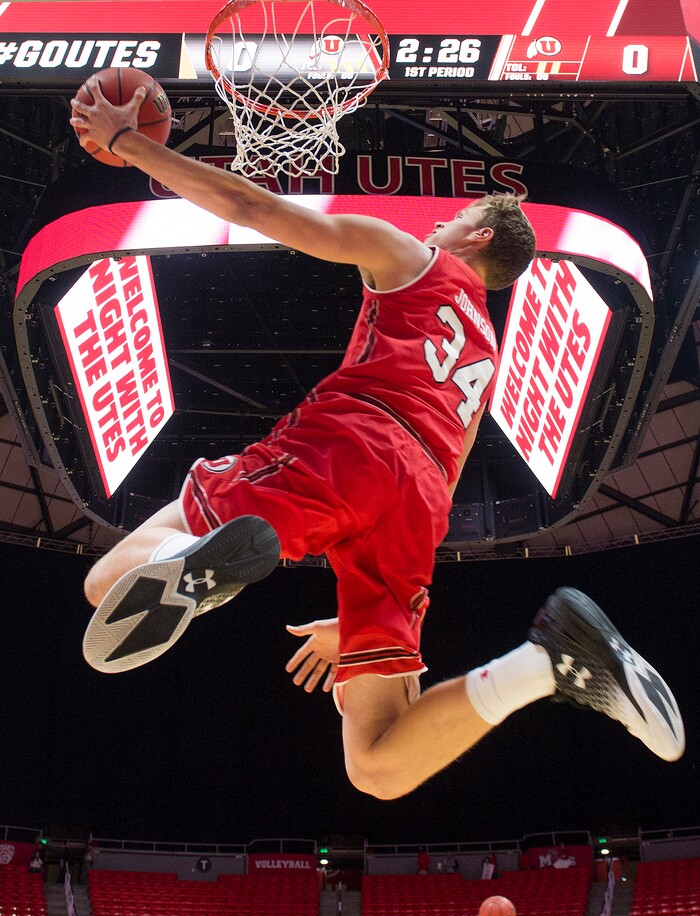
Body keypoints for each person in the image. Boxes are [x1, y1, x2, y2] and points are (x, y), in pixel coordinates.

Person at [70, 81, 685, 802]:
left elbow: (255, 209)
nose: (440, 224)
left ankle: (182, 561)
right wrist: (366, 598)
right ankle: (545, 663)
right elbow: (446, 476)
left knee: (103, 583)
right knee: (377, 764)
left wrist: (129, 144)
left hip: (355, 442)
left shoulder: (410, 258)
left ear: (480, 237)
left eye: (455, 218)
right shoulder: (485, 352)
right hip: (417, 506)